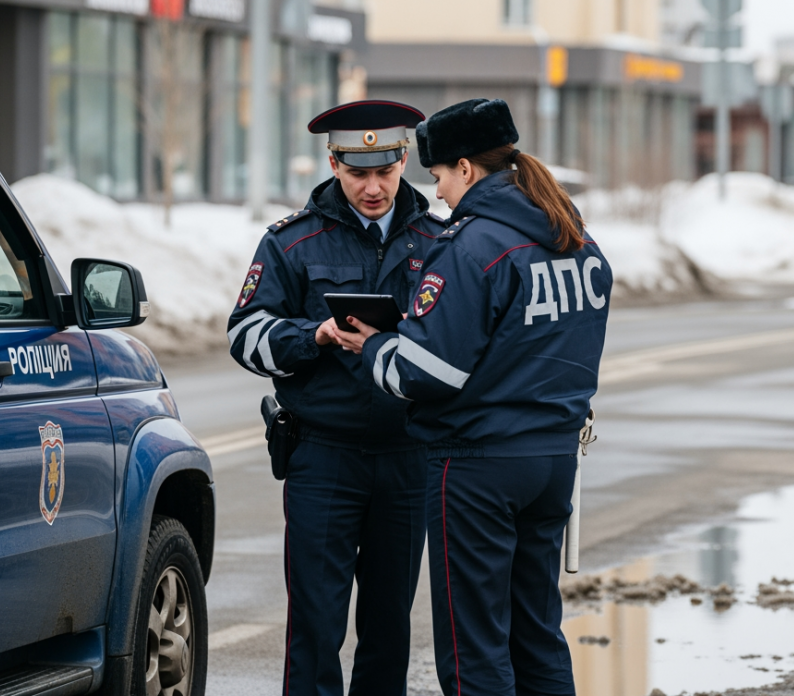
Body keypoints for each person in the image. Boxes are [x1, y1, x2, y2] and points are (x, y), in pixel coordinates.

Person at [333, 98, 612, 696]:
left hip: (477, 468)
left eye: (437, 177)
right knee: (537, 632)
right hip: (555, 462)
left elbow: (425, 372)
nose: (438, 195)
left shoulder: (472, 246)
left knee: (473, 644)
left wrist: (375, 346)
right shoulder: (577, 241)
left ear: (465, 167)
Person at [226, 100, 446, 696]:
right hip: (322, 458)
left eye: (385, 171)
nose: (373, 187)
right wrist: (312, 336)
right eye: (357, 173)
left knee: (388, 628)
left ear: (404, 160)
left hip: (407, 457)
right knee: (316, 627)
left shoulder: (440, 241)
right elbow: (244, 336)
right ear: (333, 164)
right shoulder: (291, 244)